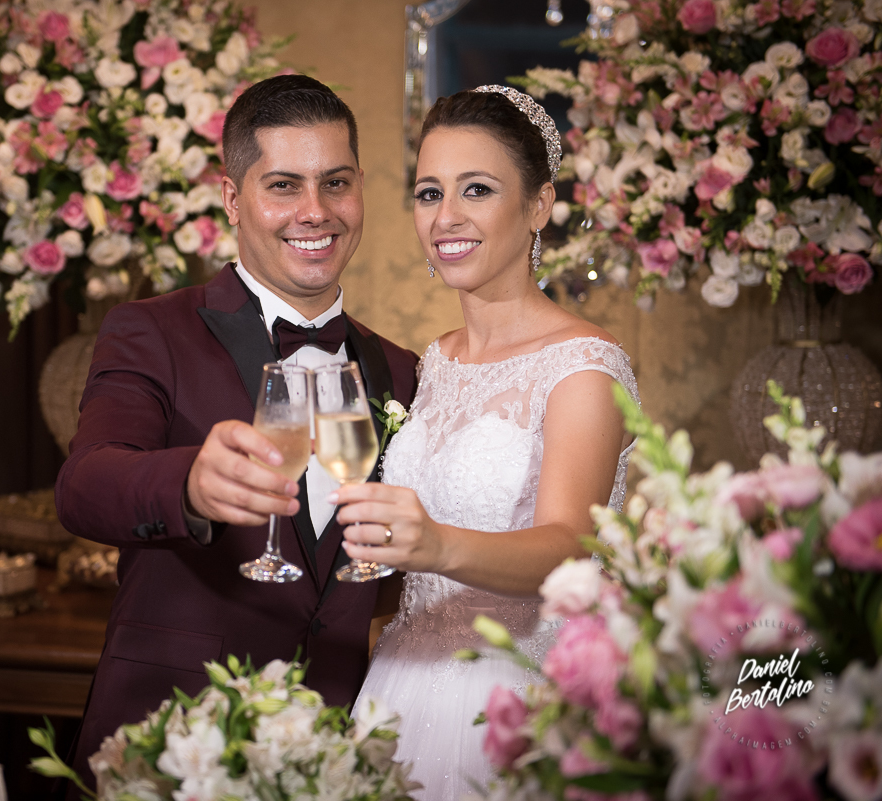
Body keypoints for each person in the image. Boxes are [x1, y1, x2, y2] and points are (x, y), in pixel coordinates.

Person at [54, 74, 419, 794]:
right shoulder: (150, 330)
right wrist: (189, 484)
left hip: (330, 758)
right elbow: (84, 485)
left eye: (336, 183)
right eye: (284, 185)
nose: (316, 211)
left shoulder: (403, 370)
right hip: (168, 741)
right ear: (232, 199)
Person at [334, 86, 639, 798]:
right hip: (398, 685)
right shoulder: (435, 361)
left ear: (539, 206)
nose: (446, 217)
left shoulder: (584, 367)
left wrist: (437, 545)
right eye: (429, 193)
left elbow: (569, 546)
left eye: (477, 189)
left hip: (517, 697)